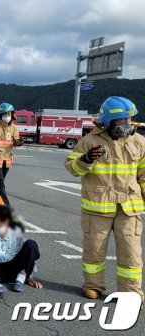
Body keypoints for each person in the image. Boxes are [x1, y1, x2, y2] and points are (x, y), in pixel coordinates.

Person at [65, 96, 144, 302]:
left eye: (129, 119)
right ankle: (93, 286)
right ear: (108, 121)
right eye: (121, 120)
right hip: (97, 208)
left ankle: (130, 294)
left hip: (128, 208)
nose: (127, 124)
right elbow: (72, 168)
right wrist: (86, 160)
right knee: (94, 250)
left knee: (131, 253)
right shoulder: (89, 142)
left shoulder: (139, 142)